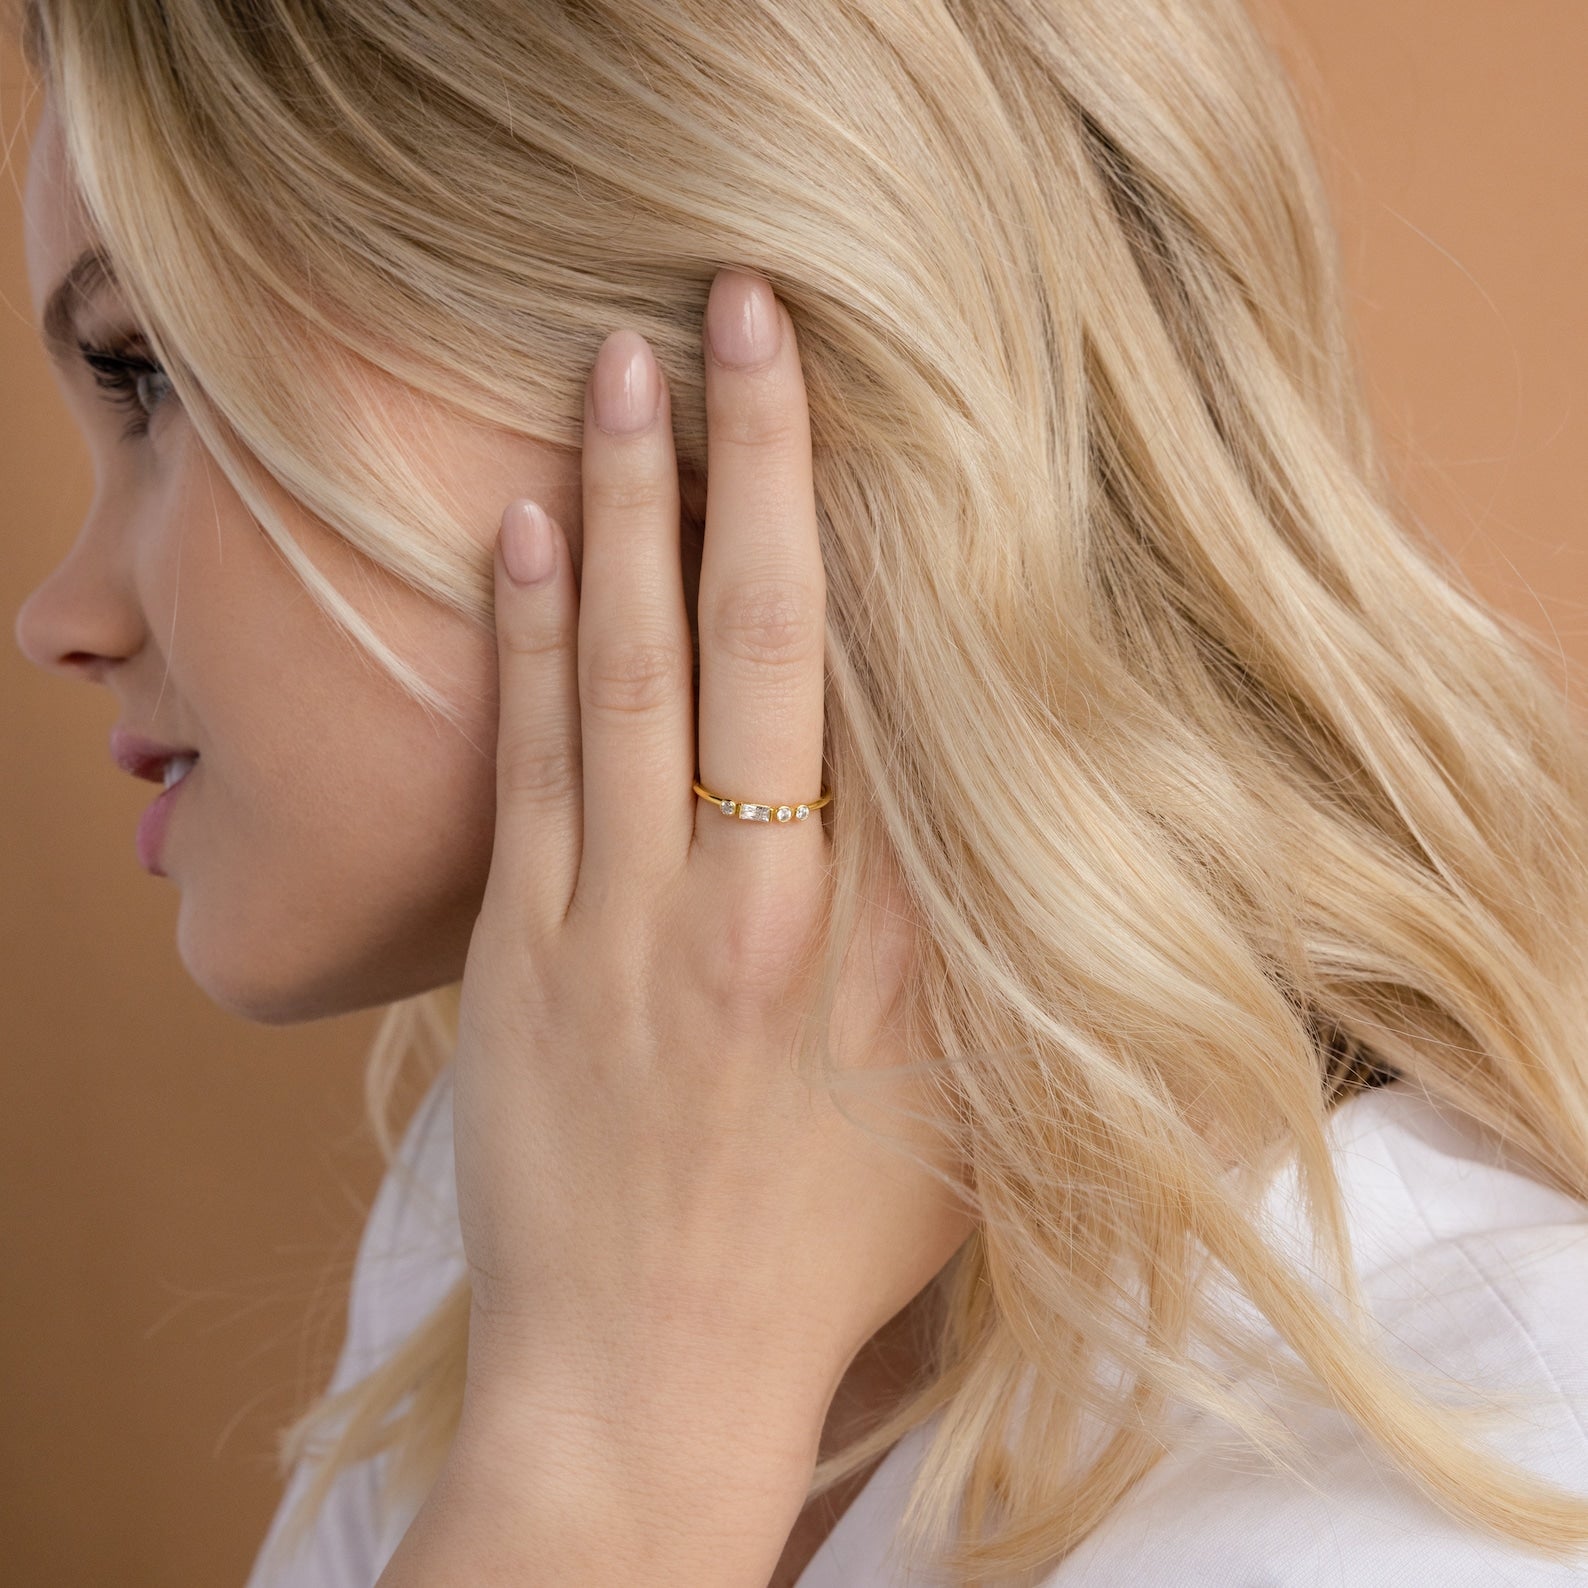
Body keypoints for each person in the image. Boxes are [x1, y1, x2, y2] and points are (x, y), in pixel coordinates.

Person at [11, 0, 1588, 1583]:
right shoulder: (552, 1172)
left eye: (147, 375)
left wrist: (608, 1456)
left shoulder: (1445, 1502)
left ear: (716, 377)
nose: (56, 617)